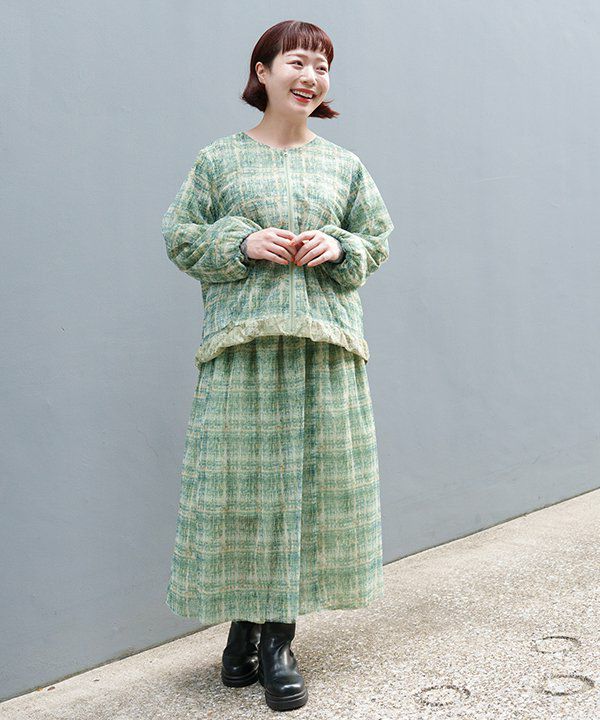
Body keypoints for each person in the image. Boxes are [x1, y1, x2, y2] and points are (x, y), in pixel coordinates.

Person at [161, 19, 394, 712]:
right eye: (297, 61)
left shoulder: (344, 165)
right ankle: (244, 627)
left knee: (307, 490)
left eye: (322, 65)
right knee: (242, 492)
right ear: (262, 71)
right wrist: (241, 242)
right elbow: (180, 235)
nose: (311, 76)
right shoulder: (218, 161)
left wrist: (341, 247)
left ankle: (275, 643)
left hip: (324, 348)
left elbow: (377, 239)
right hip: (244, 348)